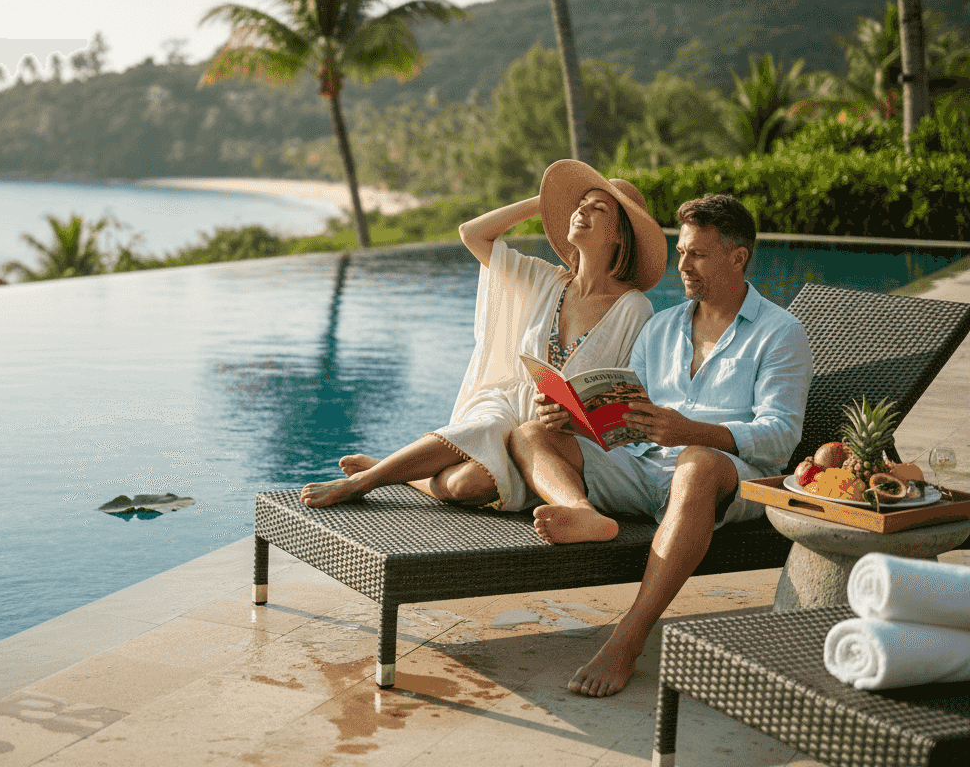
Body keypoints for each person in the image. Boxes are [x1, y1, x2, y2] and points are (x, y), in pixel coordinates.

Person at [508, 193, 813, 697]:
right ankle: (583, 511)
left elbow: (781, 436)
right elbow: (632, 421)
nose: (683, 265)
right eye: (681, 252)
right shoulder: (662, 326)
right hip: (646, 466)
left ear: (738, 257)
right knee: (532, 433)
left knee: (696, 464)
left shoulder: (780, 332)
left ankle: (629, 636)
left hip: (725, 478)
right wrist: (578, 421)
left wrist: (693, 433)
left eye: (698, 254)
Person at [299, 160, 667, 510]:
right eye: (579, 204)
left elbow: (621, 400)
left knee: (466, 486)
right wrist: (545, 202)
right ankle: (365, 482)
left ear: (619, 234)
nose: (580, 211)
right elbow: (472, 234)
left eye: (597, 208)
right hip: (507, 403)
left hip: (557, 433)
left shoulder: (633, 309)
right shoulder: (545, 279)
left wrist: (572, 419)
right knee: (489, 425)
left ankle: (401, 473)